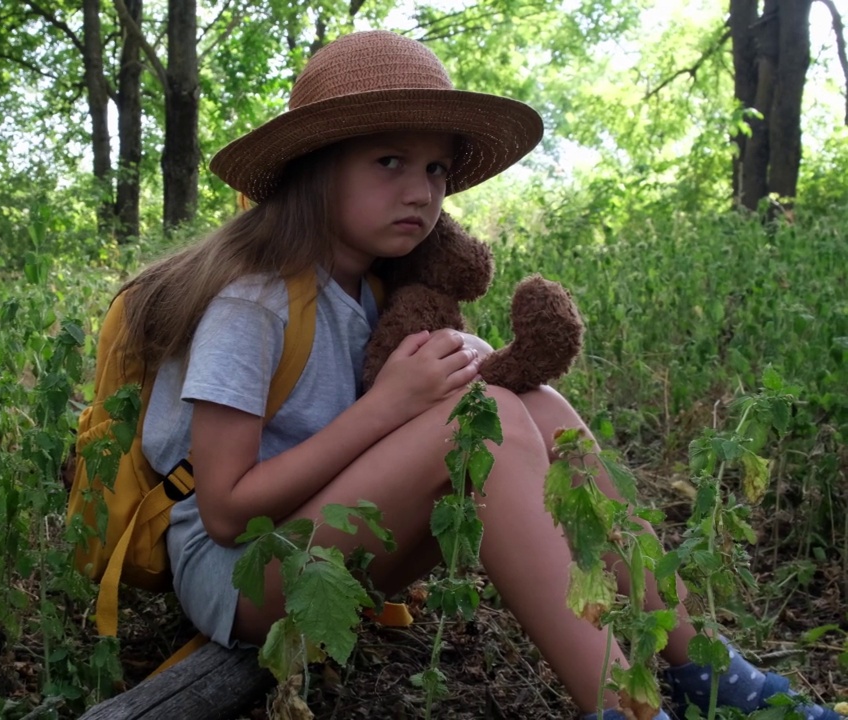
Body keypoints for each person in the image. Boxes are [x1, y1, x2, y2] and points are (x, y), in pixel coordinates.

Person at [118, 30, 840, 720]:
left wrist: (456, 379)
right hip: (240, 577)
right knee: (481, 430)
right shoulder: (255, 300)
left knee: (538, 404)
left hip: (326, 546)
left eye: (435, 170)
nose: (422, 192)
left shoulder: (374, 292)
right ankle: (626, 706)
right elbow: (226, 511)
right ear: (317, 166)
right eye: (389, 162)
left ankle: (705, 672)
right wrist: (391, 407)